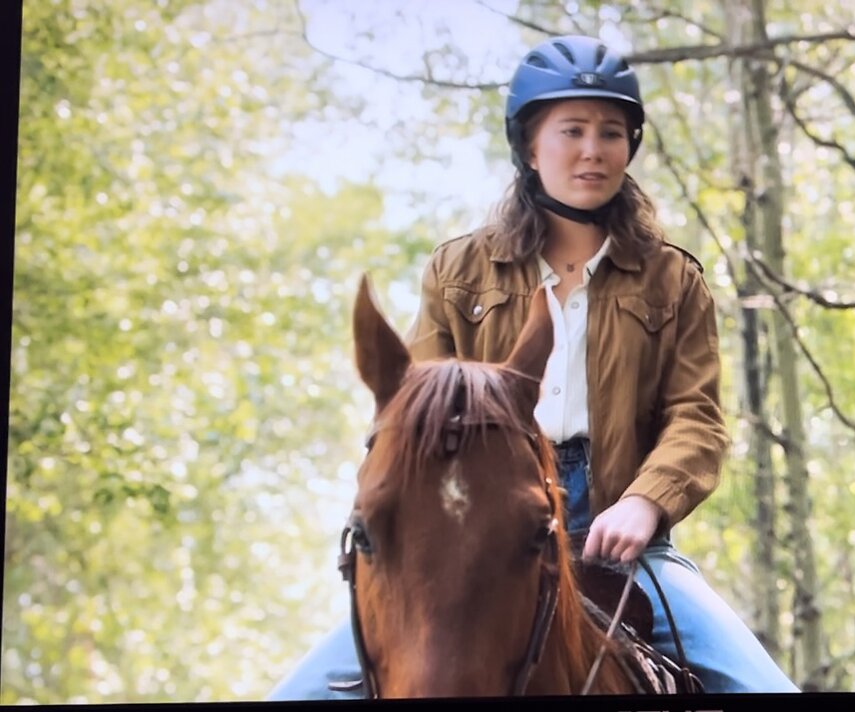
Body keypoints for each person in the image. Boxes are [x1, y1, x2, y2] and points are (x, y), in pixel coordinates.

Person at [268, 35, 798, 699]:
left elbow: (697, 418)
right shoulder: (457, 271)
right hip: (472, 535)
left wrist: (644, 502)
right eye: (571, 130)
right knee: (294, 695)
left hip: (626, 542)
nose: (592, 150)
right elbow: (418, 411)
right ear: (528, 146)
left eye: (611, 132)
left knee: (762, 687)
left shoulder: (672, 279)